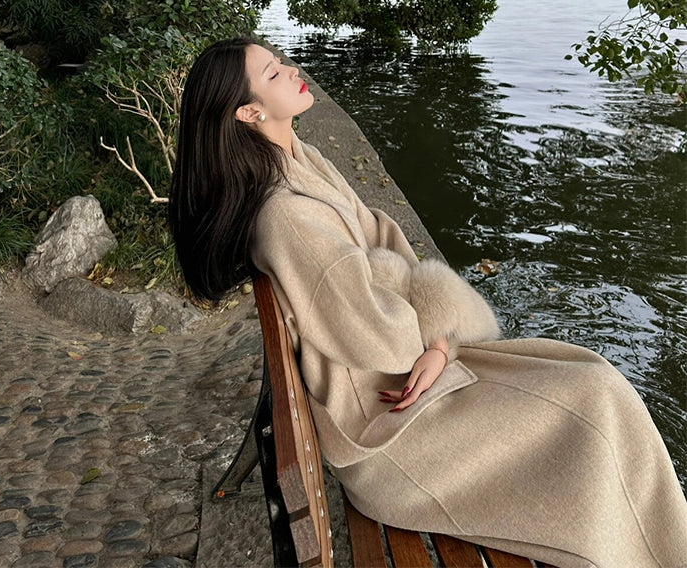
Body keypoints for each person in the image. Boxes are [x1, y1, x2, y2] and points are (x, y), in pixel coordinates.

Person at [169, 37, 687, 568]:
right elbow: (382, 336)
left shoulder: (301, 160)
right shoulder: (288, 217)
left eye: (280, 60)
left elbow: (382, 234)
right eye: (274, 73)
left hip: (410, 382)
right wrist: (423, 322)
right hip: (391, 430)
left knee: (594, 382)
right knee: (593, 403)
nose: (293, 69)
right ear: (248, 111)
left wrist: (438, 340)